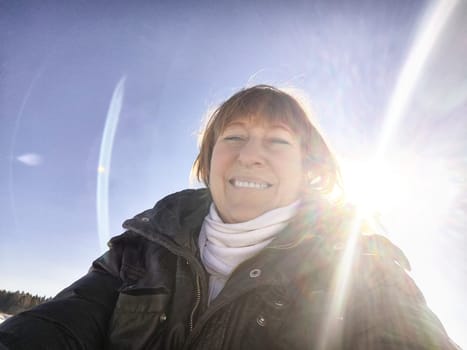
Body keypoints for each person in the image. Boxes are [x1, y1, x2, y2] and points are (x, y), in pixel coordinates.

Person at [0, 85, 459, 349]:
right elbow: (60, 323)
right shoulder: (141, 249)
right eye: (234, 137)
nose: (250, 156)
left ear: (309, 169)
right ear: (208, 159)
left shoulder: (360, 264)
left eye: (278, 141)